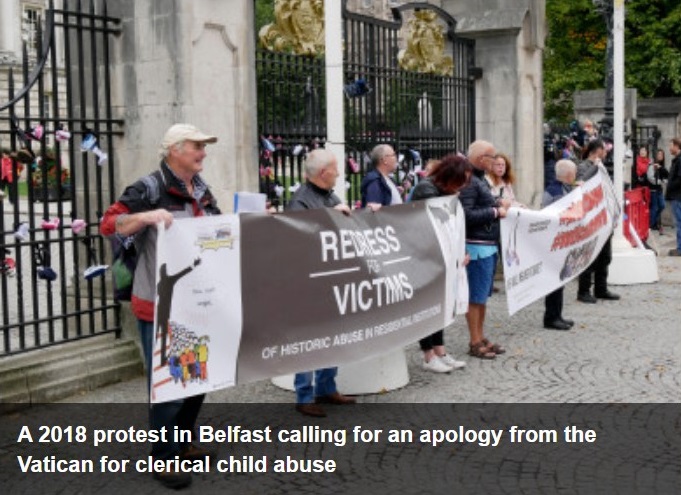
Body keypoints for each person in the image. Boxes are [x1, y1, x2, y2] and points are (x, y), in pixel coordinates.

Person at [100, 124, 221, 489]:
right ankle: (163, 458)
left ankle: (182, 445)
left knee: (196, 376)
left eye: (204, 145)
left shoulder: (200, 190)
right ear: (175, 150)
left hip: (197, 300)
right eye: (197, 146)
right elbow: (110, 224)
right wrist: (146, 217)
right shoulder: (148, 188)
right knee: (168, 384)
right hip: (158, 304)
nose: (203, 152)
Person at [286, 148, 356, 417]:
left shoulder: (329, 196)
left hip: (331, 279)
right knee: (308, 339)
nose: (339, 173)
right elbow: (299, 240)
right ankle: (304, 395)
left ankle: (327, 387)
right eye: (336, 169)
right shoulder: (300, 201)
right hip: (308, 283)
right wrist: (331, 216)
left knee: (332, 334)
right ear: (324, 172)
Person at [410, 153, 472, 372]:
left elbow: (452, 229)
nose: (463, 186)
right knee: (428, 305)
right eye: (460, 181)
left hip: (442, 259)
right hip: (425, 258)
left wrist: (458, 252)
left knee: (441, 303)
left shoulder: (445, 191)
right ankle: (428, 355)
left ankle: (440, 351)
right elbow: (432, 227)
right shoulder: (427, 191)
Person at [459, 140, 509, 359]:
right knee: (475, 297)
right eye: (492, 157)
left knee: (482, 296)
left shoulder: (478, 179)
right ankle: (474, 340)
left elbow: (481, 205)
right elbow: (466, 215)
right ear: (481, 159)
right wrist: (496, 212)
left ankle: (480, 336)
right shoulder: (470, 181)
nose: (495, 160)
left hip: (486, 245)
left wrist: (497, 203)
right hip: (476, 245)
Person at [576, 139, 620, 303]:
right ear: (597, 150)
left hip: (603, 216)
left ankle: (601, 288)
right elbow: (580, 184)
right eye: (604, 149)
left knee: (605, 256)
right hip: (591, 218)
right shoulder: (583, 166)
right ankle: (584, 291)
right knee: (590, 256)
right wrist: (596, 166)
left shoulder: (602, 167)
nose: (606, 152)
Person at [542, 160, 577, 330]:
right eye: (574, 173)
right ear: (568, 175)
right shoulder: (555, 191)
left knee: (560, 279)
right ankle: (551, 317)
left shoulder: (562, 188)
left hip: (561, 240)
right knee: (555, 280)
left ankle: (557, 314)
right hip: (555, 240)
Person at [360, 144, 400, 209]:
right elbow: (374, 210)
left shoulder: (388, 180)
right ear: (384, 160)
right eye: (393, 155)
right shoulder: (374, 182)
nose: (396, 158)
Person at [665, 138, 681, 256]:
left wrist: (670, 185)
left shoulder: (679, 160)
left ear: (676, 146)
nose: (669, 148)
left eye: (671, 145)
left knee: (679, 223)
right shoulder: (676, 160)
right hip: (676, 195)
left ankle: (680, 249)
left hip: (678, 196)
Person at [648, 149, 668, 233]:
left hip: (659, 190)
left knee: (662, 205)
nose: (660, 156)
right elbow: (650, 177)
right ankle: (652, 224)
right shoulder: (652, 165)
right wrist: (660, 181)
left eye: (661, 155)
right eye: (659, 154)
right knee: (655, 207)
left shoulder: (662, 166)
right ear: (656, 155)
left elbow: (667, 176)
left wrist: (661, 169)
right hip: (653, 190)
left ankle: (654, 222)